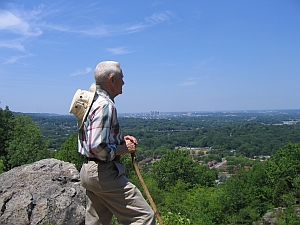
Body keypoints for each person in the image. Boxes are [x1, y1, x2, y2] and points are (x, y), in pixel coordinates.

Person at [69, 61, 156, 225]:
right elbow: (97, 147)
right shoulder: (105, 106)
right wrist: (123, 148)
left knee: (97, 222)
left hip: (88, 171)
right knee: (143, 217)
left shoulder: (92, 103)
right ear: (112, 80)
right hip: (104, 173)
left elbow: (93, 139)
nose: (124, 82)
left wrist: (119, 140)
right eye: (121, 78)